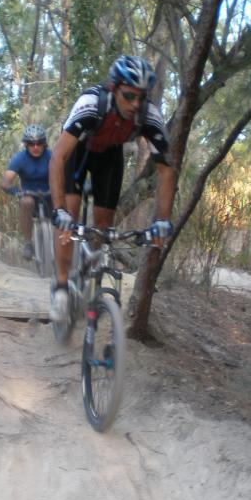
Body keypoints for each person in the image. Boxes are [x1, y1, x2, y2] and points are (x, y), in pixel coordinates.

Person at [48, 54, 176, 322]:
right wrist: (58, 209)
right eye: (129, 96)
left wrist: (162, 220)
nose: (136, 104)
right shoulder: (92, 104)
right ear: (113, 88)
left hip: (109, 156)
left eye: (142, 97)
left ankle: (89, 275)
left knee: (103, 228)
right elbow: (58, 157)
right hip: (77, 152)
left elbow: (166, 171)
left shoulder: (149, 116)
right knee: (67, 221)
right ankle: (61, 287)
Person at [1, 124, 51, 260]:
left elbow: (65, 174)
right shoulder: (20, 158)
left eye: (39, 143)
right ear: (26, 145)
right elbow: (6, 181)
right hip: (30, 196)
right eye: (31, 144)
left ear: (44, 144)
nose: (35, 147)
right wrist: (16, 191)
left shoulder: (52, 156)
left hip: (51, 195)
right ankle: (28, 243)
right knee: (25, 201)